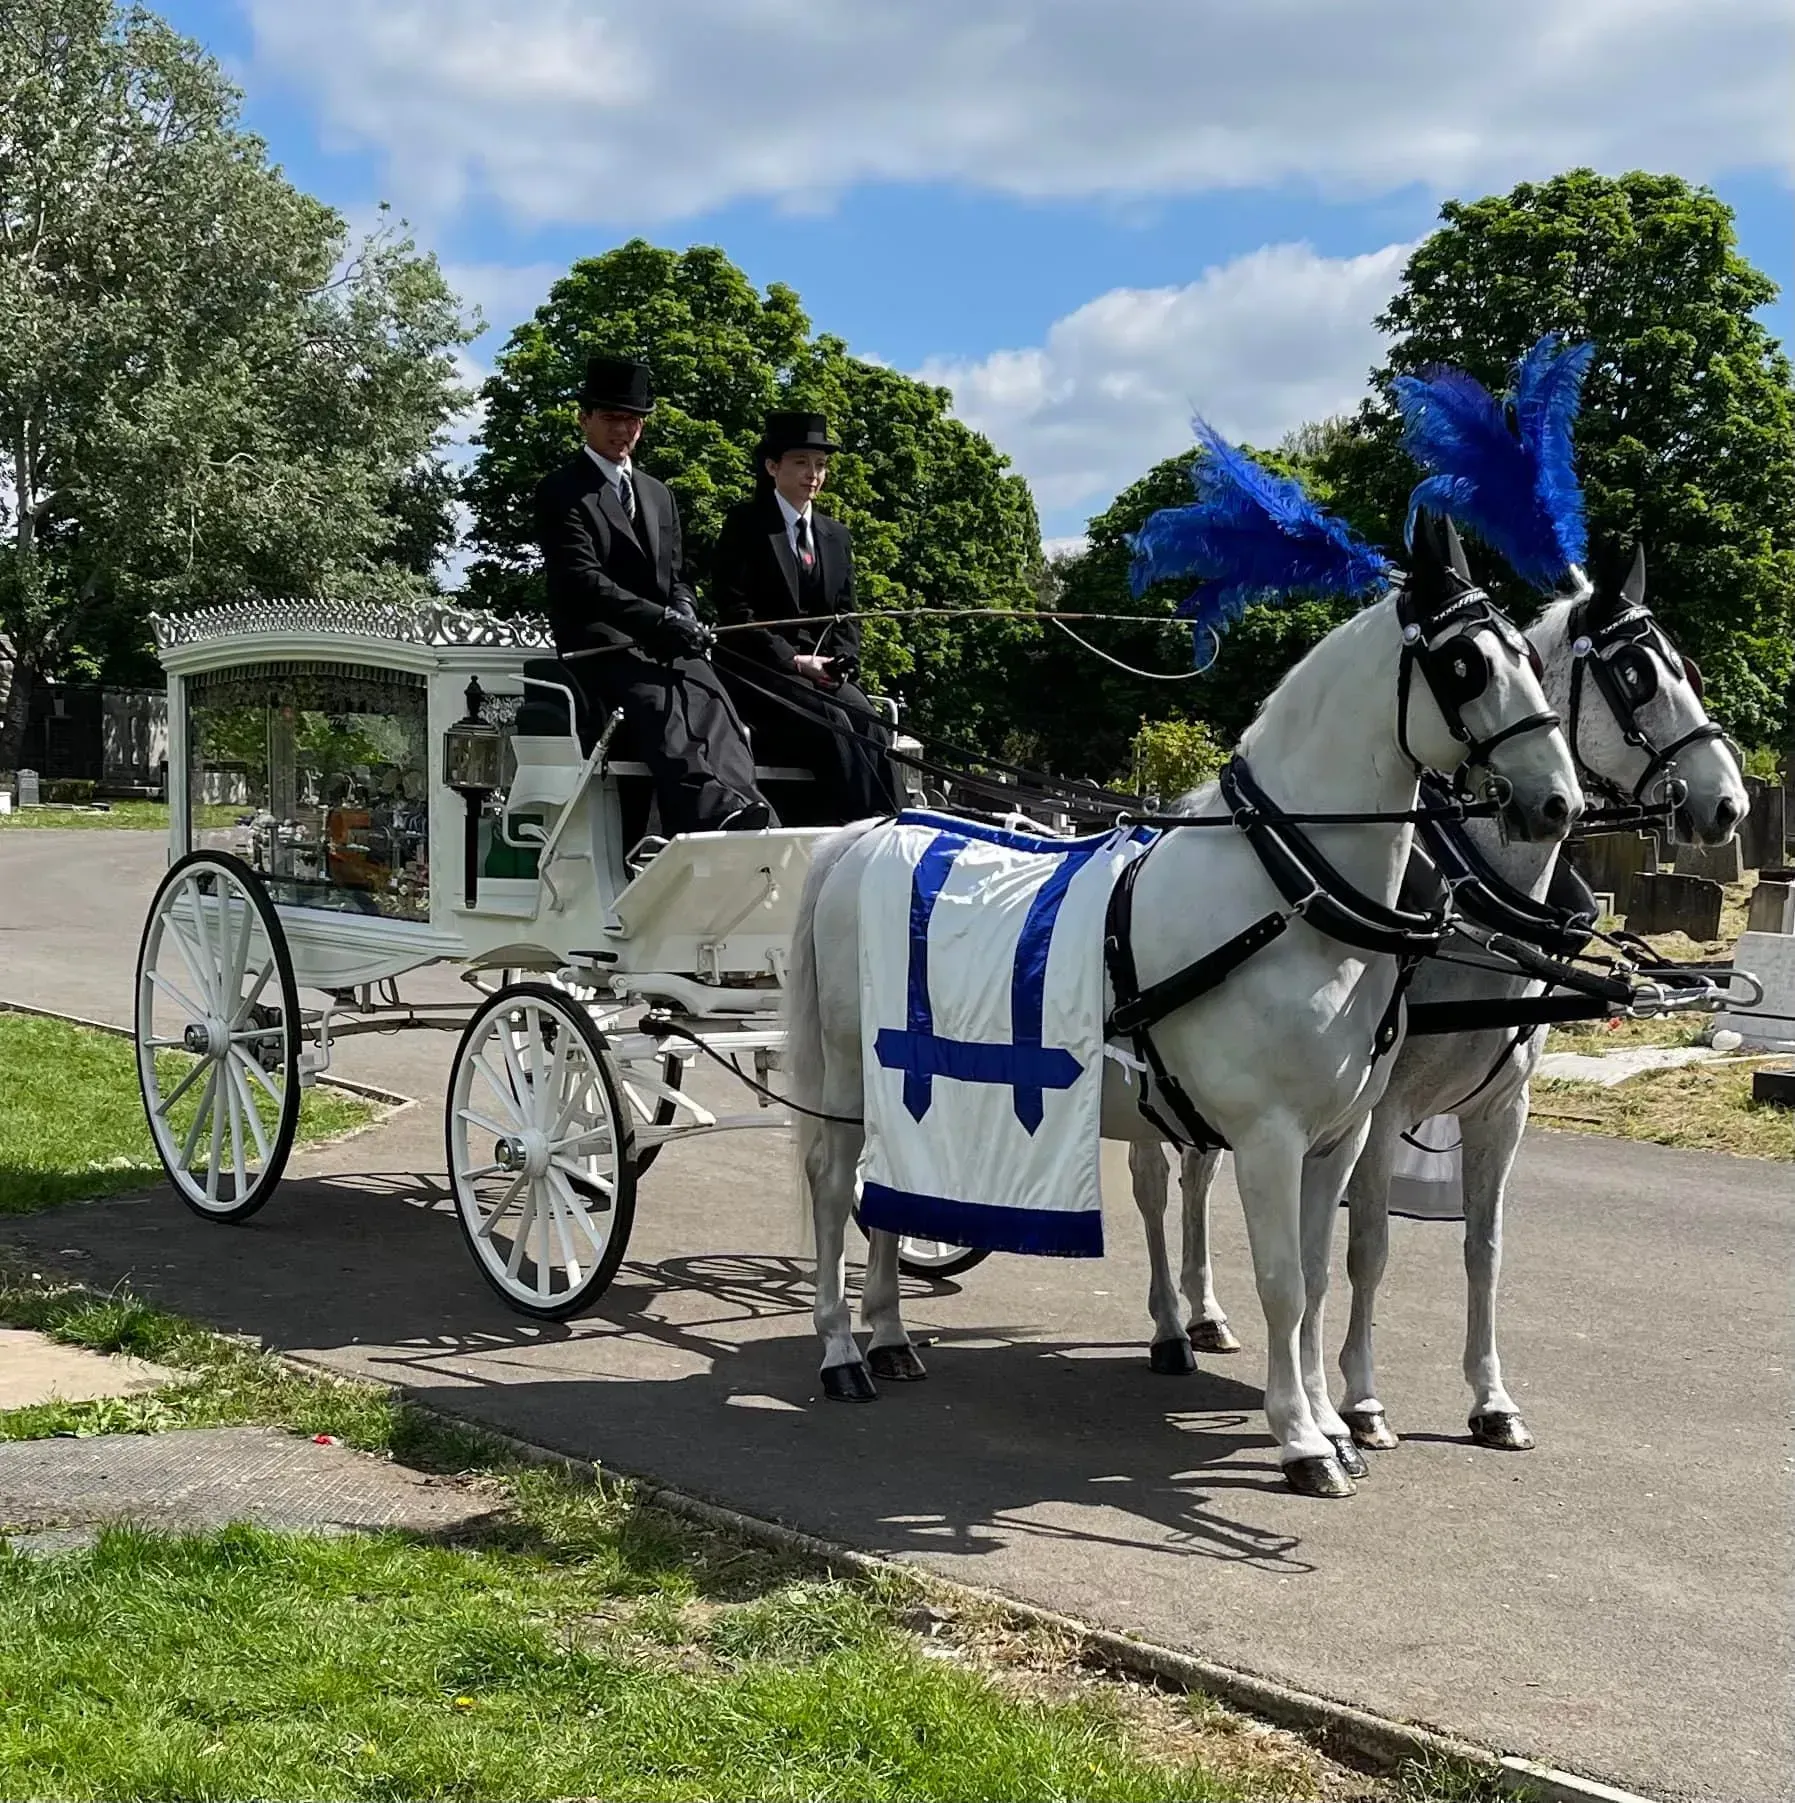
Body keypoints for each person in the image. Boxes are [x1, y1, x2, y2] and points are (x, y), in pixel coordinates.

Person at [534, 354, 773, 835]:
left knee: (714, 698)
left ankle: (749, 806)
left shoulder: (658, 494)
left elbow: (678, 573)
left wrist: (684, 609)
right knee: (661, 705)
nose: (624, 430)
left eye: (634, 420)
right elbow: (583, 580)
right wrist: (660, 619)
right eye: (612, 418)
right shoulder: (561, 491)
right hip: (602, 644)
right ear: (584, 419)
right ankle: (710, 818)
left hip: (665, 640)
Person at [711, 410, 898, 825]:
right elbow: (735, 610)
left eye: (820, 464)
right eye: (801, 463)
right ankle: (853, 827)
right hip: (761, 668)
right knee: (831, 720)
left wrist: (842, 661)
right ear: (772, 466)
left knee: (869, 720)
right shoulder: (745, 525)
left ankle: (890, 822)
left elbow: (846, 613)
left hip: (822, 670)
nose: (813, 474)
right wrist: (794, 660)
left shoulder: (836, 536)